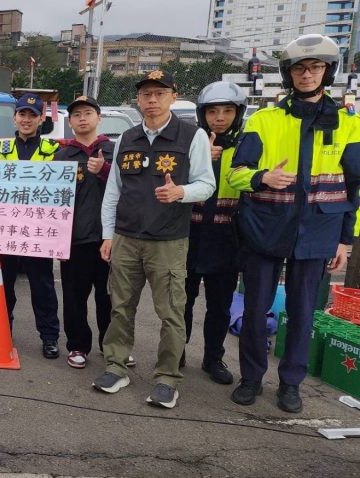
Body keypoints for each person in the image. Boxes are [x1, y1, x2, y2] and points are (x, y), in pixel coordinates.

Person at [228, 34, 360, 413]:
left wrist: (345, 240)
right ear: (288, 73)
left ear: (327, 72)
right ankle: (251, 377)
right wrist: (262, 177)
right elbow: (236, 175)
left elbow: (354, 187)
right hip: (266, 229)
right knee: (256, 310)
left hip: (318, 232)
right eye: (300, 68)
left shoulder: (349, 124)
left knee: (303, 314)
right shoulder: (264, 120)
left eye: (316, 67)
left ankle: (291, 383)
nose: (307, 74)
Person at [93, 70, 216, 409]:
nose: (152, 100)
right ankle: (116, 367)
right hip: (126, 237)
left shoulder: (192, 136)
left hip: (168, 241)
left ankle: (167, 378)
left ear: (173, 97)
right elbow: (114, 191)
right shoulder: (127, 137)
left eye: (159, 93)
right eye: (146, 94)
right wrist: (107, 235)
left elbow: (207, 184)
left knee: (171, 312)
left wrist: (180, 192)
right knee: (120, 307)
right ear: (138, 99)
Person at [0, 93, 62, 359]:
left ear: (41, 119)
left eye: (32, 115)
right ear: (15, 118)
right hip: (3, 233)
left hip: (38, 234)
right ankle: (2, 331)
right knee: (2, 287)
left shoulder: (54, 149)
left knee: (43, 288)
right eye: (22, 114)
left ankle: (50, 337)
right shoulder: (0, 148)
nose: (26, 120)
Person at [183, 81, 248, 385]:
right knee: (181, 301)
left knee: (219, 306)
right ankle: (176, 352)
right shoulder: (191, 145)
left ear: (238, 114)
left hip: (226, 240)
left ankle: (213, 358)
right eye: (212, 111)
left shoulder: (246, 148)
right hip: (190, 236)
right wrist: (200, 159)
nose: (219, 117)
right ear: (203, 114)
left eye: (227, 111)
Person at [52, 96, 114, 369]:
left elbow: (130, 188)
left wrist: (104, 170)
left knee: (110, 297)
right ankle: (77, 345)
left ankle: (112, 346)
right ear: (71, 122)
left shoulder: (114, 151)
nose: (82, 118)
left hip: (110, 239)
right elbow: (52, 202)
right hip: (74, 240)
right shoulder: (62, 156)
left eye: (88, 113)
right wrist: (56, 241)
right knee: (74, 297)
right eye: (76, 115)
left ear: (99, 118)